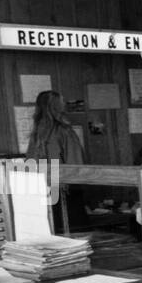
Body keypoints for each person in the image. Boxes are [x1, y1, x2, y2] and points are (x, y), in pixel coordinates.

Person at [25, 90, 86, 230]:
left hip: (42, 192)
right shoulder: (64, 131)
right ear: (57, 107)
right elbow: (77, 166)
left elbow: (30, 165)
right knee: (75, 234)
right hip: (66, 191)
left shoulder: (35, 134)